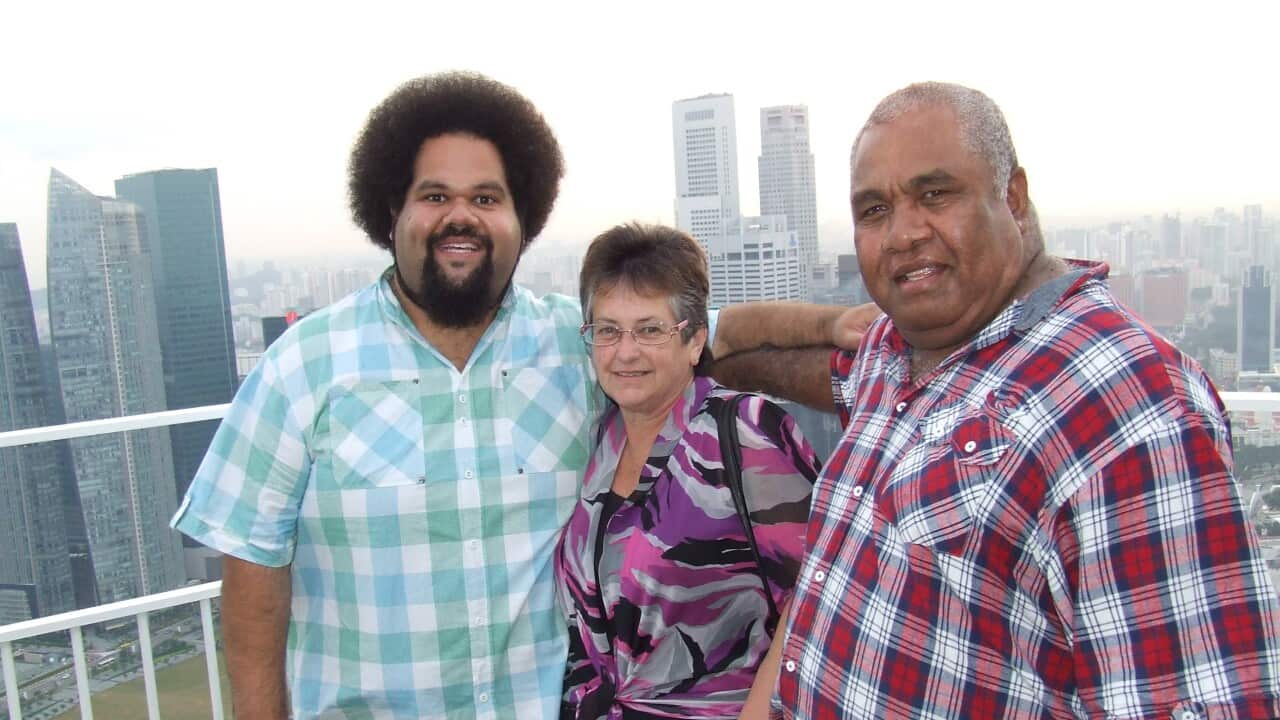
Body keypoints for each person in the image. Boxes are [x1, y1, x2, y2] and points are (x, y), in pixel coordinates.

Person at [171, 72, 869, 719]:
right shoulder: (304, 366)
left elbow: (718, 333)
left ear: (522, 217)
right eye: (435, 195)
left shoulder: (578, 341)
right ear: (392, 210)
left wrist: (834, 325)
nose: (460, 217)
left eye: (486, 198)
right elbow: (255, 578)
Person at [726, 82, 1280, 719]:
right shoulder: (893, 351)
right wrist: (698, 344)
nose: (903, 233)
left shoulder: (1127, 401)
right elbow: (763, 363)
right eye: (874, 210)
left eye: (935, 194)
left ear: (1012, 199)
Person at [555, 224, 817, 719]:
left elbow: (816, 596)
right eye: (607, 330)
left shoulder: (743, 433)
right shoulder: (600, 442)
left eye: (650, 329)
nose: (625, 351)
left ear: (695, 341)